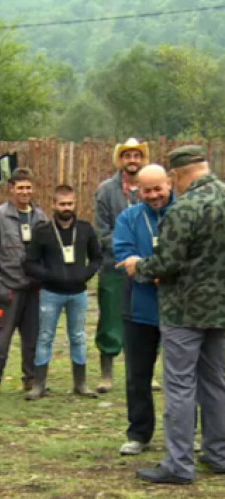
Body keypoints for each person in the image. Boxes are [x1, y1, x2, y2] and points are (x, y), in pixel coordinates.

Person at [118, 145, 225, 484]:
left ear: (176, 176)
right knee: (216, 382)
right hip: (220, 309)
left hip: (183, 309)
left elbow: (168, 263)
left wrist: (140, 266)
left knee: (179, 385)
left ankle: (179, 464)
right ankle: (218, 453)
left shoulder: (184, 209)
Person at [113, 164, 173, 455]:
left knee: (183, 376)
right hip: (139, 309)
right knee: (138, 376)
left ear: (169, 184)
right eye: (147, 190)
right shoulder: (129, 217)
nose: (153, 195)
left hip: (179, 309)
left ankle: (187, 431)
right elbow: (124, 256)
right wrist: (154, 273)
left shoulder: (183, 214)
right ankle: (139, 433)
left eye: (158, 188)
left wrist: (151, 268)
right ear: (138, 190)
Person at [24, 185, 102, 400]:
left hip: (78, 293)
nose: (66, 208)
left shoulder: (85, 229)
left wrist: (85, 274)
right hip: (50, 293)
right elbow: (29, 263)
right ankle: (39, 385)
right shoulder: (43, 232)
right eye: (62, 204)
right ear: (54, 205)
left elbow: (97, 258)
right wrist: (50, 275)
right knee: (45, 337)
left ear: (75, 204)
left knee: (78, 337)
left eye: (70, 204)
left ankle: (81, 384)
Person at [0, 167, 47, 397]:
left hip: (33, 289)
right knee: (0, 338)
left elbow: (48, 252)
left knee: (33, 338)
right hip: (7, 289)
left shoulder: (40, 217)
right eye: (20, 188)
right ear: (11, 189)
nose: (24, 192)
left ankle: (31, 379)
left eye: (28, 188)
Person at [95, 138, 148, 392]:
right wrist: (125, 254)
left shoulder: (150, 188)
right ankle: (107, 373)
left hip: (147, 267)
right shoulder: (106, 190)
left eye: (137, 156)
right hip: (114, 265)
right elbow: (102, 230)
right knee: (111, 318)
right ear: (120, 160)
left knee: (147, 317)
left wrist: (144, 257)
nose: (133, 161)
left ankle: (145, 371)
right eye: (128, 156)